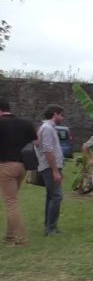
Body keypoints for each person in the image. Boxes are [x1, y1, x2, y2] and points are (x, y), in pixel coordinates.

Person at [0, 99, 38, 246]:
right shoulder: (25, 123)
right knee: (13, 200)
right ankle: (10, 235)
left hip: (5, 166)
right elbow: (36, 142)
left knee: (11, 202)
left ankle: (20, 238)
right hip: (22, 166)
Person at [35, 104, 65, 237]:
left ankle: (49, 225)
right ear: (55, 114)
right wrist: (55, 170)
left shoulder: (46, 128)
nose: (62, 118)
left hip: (49, 166)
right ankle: (51, 228)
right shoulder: (47, 129)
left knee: (51, 195)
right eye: (61, 115)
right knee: (56, 196)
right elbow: (48, 150)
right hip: (49, 167)